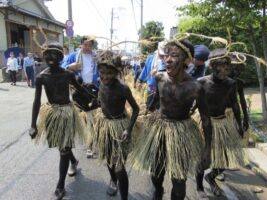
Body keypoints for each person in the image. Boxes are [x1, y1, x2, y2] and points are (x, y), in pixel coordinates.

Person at [131, 39, 205, 200]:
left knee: (179, 182)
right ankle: (158, 191)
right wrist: (146, 118)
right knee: (156, 174)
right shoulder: (159, 78)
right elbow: (155, 102)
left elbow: (205, 119)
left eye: (174, 55)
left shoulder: (196, 87)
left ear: (187, 60)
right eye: (166, 55)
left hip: (182, 133)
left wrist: (207, 150)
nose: (168, 59)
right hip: (159, 130)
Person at [29, 43, 96, 200]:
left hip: (67, 113)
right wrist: (33, 125)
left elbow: (79, 89)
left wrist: (94, 98)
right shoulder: (41, 77)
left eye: (54, 54)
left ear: (60, 57)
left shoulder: (67, 74)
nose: (50, 58)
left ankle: (60, 185)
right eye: (48, 54)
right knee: (62, 145)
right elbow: (37, 100)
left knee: (63, 148)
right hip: (53, 114)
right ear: (44, 56)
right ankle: (73, 160)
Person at [195, 48, 245, 198]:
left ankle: (211, 177)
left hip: (222, 122)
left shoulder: (231, 84)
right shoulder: (201, 82)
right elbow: (194, 104)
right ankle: (199, 188)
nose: (224, 71)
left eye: (227, 67)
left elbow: (235, 105)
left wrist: (239, 123)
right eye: (220, 67)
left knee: (226, 158)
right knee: (204, 158)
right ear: (211, 66)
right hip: (204, 123)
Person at [94, 52, 139, 200]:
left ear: (117, 72)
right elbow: (101, 102)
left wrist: (129, 129)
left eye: (109, 73)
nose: (105, 76)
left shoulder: (123, 89)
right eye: (102, 73)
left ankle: (124, 196)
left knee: (120, 167)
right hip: (105, 126)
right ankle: (113, 180)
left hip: (120, 127)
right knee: (108, 158)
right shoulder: (101, 84)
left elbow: (136, 108)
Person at [63, 36, 99, 157]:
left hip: (93, 91)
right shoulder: (73, 56)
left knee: (92, 118)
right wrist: (69, 67)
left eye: (90, 45)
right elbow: (61, 68)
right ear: (81, 45)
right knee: (82, 119)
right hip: (78, 91)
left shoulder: (95, 57)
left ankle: (90, 145)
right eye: (85, 45)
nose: (88, 48)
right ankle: (87, 140)